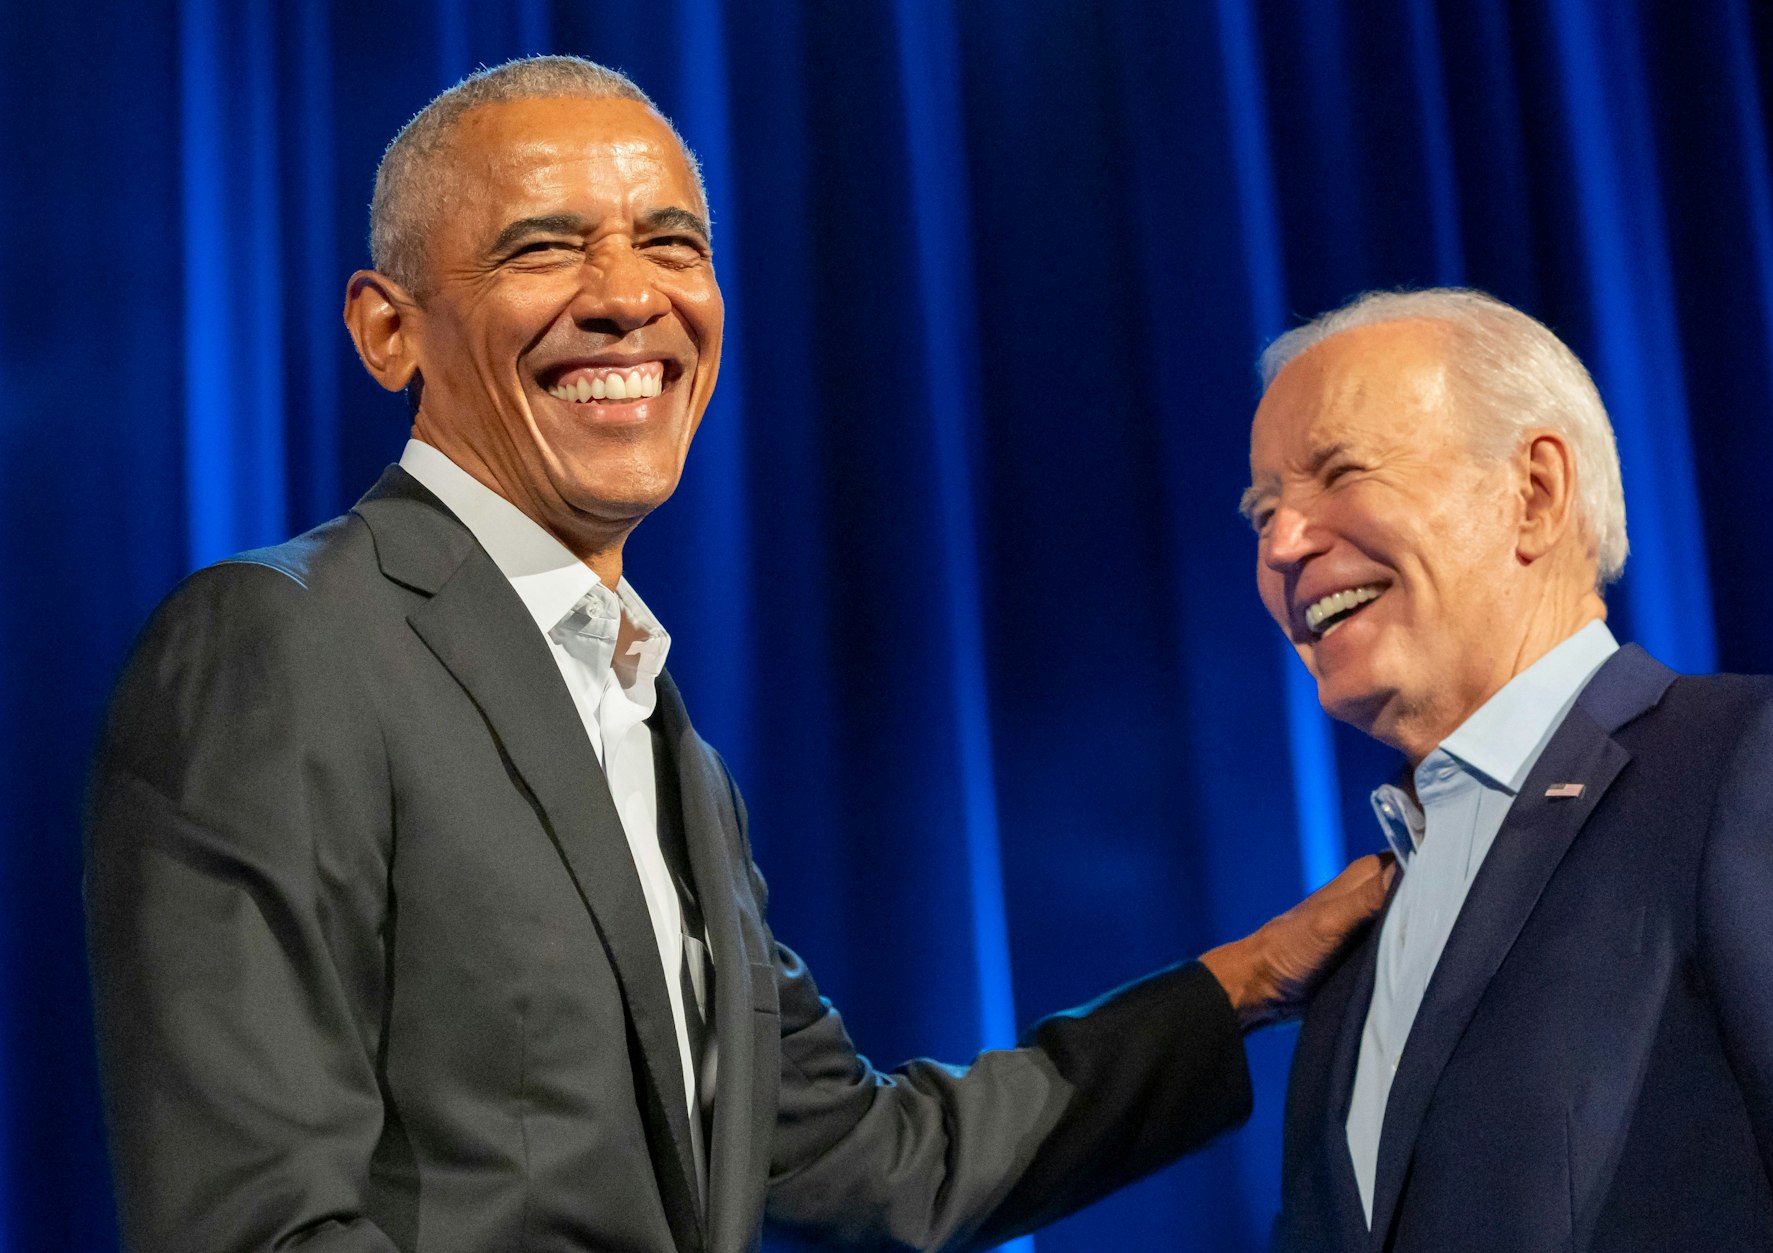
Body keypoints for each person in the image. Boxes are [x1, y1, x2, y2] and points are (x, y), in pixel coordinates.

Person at [85, 56, 1391, 1253]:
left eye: (672, 245)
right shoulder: (285, 641)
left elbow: (872, 1159)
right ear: (390, 330)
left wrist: (1241, 986)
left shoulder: (664, 745)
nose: (626, 297)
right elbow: (252, 1227)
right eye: (544, 248)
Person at [1241, 287, 1773, 1251]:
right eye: (1263, 512)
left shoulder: (1750, 767)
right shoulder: (1352, 949)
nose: (1284, 543)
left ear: (1533, 493)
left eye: (1340, 473)